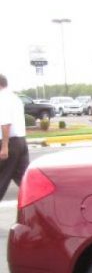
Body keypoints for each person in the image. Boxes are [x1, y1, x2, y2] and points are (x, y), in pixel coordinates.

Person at [0, 74, 30, 202]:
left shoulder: (2, 98)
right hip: (21, 142)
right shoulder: (15, 98)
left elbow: (6, 122)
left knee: (2, 178)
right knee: (25, 179)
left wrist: (4, 146)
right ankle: (43, 204)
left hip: (10, 143)